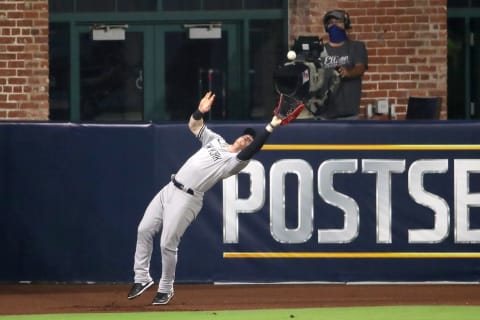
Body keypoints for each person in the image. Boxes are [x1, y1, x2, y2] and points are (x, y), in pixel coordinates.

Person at [127, 92, 283, 305]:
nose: (247, 138)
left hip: (189, 198)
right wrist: (200, 110)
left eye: (251, 139)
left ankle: (165, 288)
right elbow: (193, 126)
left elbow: (251, 151)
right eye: (246, 135)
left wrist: (270, 127)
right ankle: (142, 278)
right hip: (170, 188)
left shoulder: (235, 162)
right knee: (143, 229)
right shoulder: (216, 140)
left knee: (167, 244)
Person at [316, 9, 368, 119]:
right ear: (326, 27)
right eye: (330, 23)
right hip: (324, 114)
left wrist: (348, 72)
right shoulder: (319, 51)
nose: (334, 25)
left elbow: (360, 68)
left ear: (346, 25)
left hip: (348, 114)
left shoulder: (356, 47)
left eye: (338, 21)